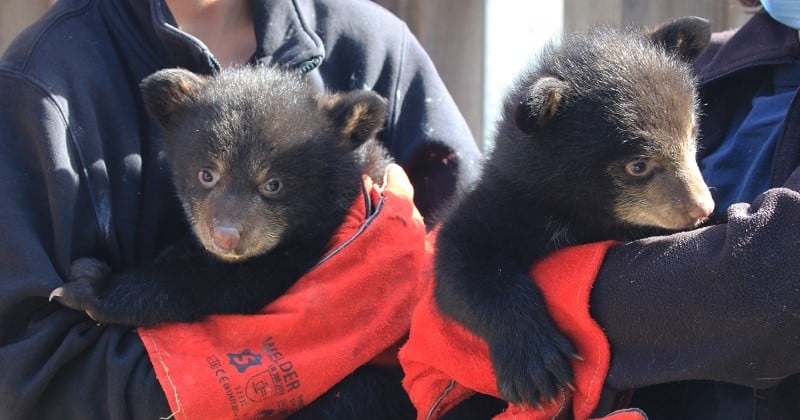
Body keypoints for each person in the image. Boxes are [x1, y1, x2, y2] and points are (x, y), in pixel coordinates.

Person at [0, 0, 480, 418]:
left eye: (270, 186)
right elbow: (28, 375)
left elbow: (484, 262)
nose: (226, 229)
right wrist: (268, 359)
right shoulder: (43, 82)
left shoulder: (372, 50)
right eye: (207, 178)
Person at [399, 1, 800, 419]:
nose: (702, 200)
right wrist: (506, 320)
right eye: (640, 168)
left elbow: (770, 288)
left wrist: (566, 297)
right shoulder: (725, 68)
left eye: (690, 142)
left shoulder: (677, 80)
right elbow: (465, 257)